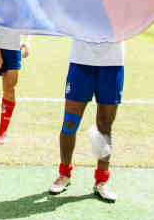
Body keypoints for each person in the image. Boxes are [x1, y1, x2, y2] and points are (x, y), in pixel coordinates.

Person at [48, 39, 123, 203]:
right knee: (69, 123)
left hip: (112, 63)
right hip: (81, 62)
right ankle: (64, 174)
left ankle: (101, 181)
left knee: (105, 126)